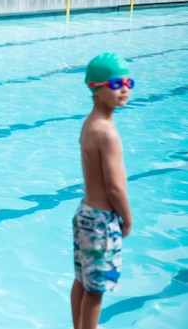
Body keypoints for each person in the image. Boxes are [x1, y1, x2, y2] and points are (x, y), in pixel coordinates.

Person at [70, 52, 134, 329]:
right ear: (95, 89)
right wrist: (127, 219)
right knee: (95, 289)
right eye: (116, 83)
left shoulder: (90, 123)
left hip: (84, 213)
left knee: (82, 281)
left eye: (129, 83)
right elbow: (115, 187)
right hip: (101, 222)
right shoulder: (107, 132)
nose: (124, 89)